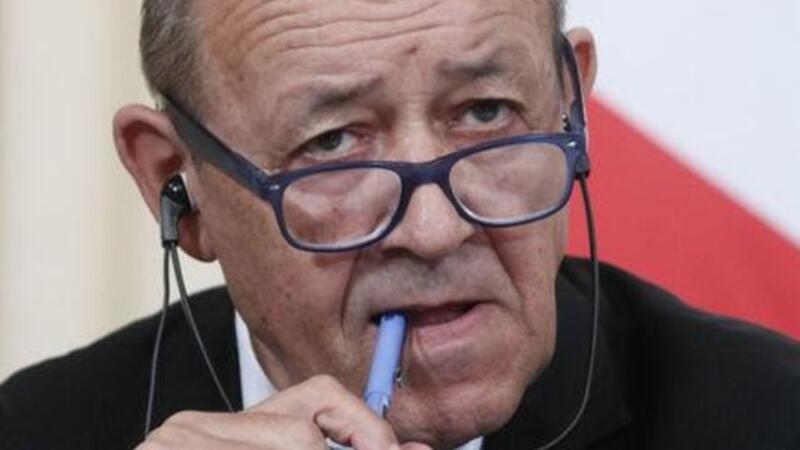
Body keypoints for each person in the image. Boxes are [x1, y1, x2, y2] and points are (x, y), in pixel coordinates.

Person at [2, 0, 799, 449]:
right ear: (176, 181)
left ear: (572, 111)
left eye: (486, 113)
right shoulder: (35, 431)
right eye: (331, 144)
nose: (434, 229)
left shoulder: (768, 417)